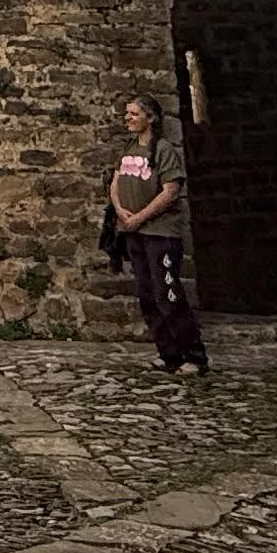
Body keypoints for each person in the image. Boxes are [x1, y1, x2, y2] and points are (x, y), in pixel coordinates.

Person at [104, 93, 207, 376]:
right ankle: (168, 353)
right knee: (147, 294)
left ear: (150, 118)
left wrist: (140, 217)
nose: (128, 118)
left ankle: (193, 355)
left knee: (168, 292)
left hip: (159, 233)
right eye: (127, 113)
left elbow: (170, 191)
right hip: (134, 232)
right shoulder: (127, 150)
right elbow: (115, 183)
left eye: (134, 113)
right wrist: (121, 212)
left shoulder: (162, 150)